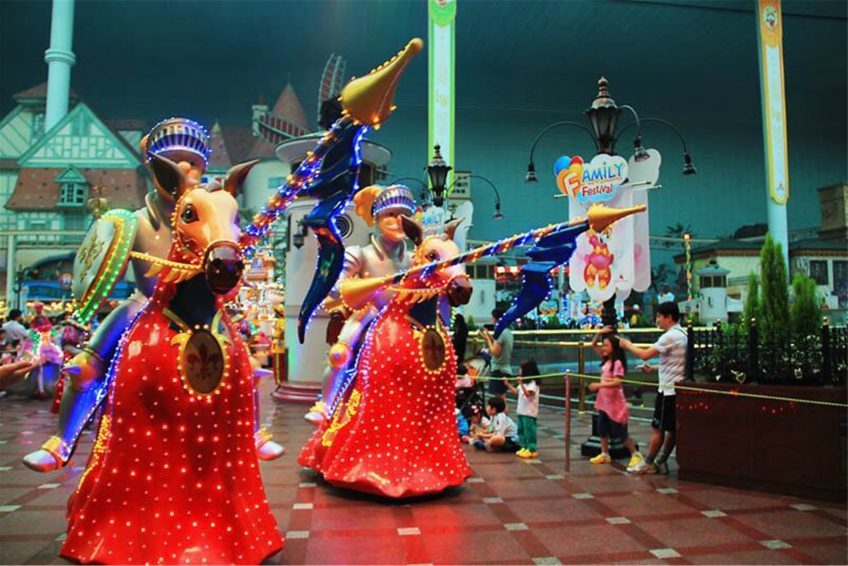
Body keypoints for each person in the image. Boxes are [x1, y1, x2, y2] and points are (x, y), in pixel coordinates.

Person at [619, 301, 687, 475]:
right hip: (675, 389)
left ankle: (648, 462)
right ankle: (660, 461)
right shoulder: (682, 334)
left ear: (669, 317)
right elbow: (675, 363)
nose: (657, 320)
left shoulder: (670, 336)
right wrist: (654, 369)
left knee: (658, 429)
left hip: (668, 390)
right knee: (672, 429)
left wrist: (627, 344)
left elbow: (644, 354)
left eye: (659, 316)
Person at [588, 327, 643, 469]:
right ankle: (604, 453)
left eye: (606, 345)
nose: (603, 348)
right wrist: (599, 333)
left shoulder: (617, 363)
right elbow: (593, 345)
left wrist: (599, 385)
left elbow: (618, 382)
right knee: (602, 428)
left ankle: (635, 454)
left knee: (620, 433)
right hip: (604, 402)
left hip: (615, 404)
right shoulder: (606, 360)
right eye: (603, 345)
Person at [506, 360, 541, 459]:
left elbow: (528, 394)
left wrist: (521, 383)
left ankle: (531, 448)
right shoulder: (525, 382)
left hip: (529, 412)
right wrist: (508, 384)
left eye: (521, 368)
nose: (519, 370)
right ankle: (524, 446)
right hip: (521, 411)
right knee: (521, 430)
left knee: (529, 431)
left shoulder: (533, 383)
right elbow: (517, 392)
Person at [479, 308, 513, 400]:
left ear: (496, 319)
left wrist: (487, 339)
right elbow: (497, 344)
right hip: (505, 369)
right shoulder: (508, 331)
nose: (492, 320)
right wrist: (488, 337)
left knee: (499, 400)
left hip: (499, 370)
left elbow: (495, 352)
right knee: (501, 399)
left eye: (492, 318)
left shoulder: (501, 332)